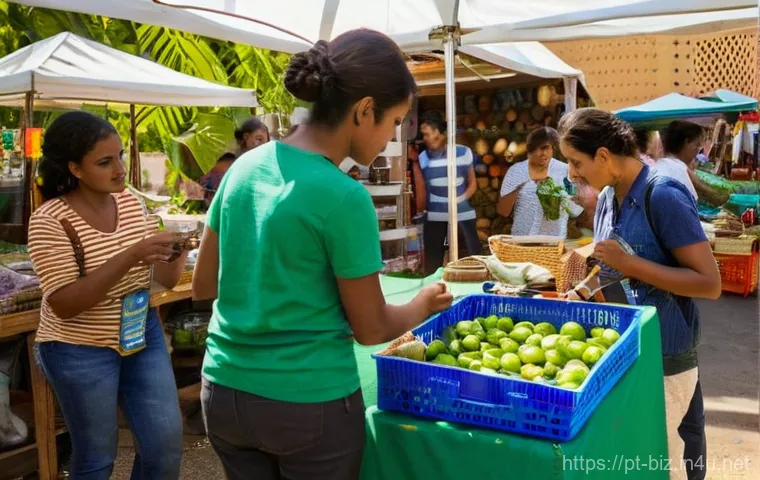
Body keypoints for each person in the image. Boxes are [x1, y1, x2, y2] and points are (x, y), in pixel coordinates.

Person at [192, 29, 453, 480]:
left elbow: (202, 284)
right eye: (394, 121)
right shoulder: (344, 196)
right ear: (364, 109)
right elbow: (371, 327)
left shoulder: (243, 168)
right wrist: (421, 305)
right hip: (308, 404)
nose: (394, 134)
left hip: (224, 392)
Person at [558, 108, 720, 480]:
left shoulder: (662, 195)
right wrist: (584, 290)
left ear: (602, 156)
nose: (571, 173)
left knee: (665, 463)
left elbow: (709, 283)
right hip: (625, 350)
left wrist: (633, 266)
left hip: (665, 353)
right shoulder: (607, 199)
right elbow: (612, 265)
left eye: (575, 161)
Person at [28, 111, 189, 479]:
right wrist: (132, 254)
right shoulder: (51, 220)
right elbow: (65, 303)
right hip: (78, 347)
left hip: (139, 333)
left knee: (164, 445)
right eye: (105, 162)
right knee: (97, 457)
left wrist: (174, 253)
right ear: (75, 169)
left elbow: (161, 281)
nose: (120, 169)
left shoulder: (132, 204)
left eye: (120, 155)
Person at [417, 110, 479, 274]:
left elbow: (472, 183)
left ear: (441, 133)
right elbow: (422, 189)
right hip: (435, 215)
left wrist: (460, 199)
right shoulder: (423, 157)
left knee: (473, 258)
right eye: (423, 135)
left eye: (428, 134)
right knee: (432, 263)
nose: (426, 139)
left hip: (463, 213)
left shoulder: (464, 152)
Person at [497, 126, 582, 237]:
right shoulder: (516, 171)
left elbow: (575, 200)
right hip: (522, 241)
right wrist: (518, 187)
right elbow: (503, 211)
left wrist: (559, 195)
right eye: (540, 149)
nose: (544, 153)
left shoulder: (565, 170)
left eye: (548, 148)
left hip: (554, 241)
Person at [653, 120, 704, 201]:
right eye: (697, 144)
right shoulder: (679, 172)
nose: (698, 150)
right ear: (687, 142)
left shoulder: (656, 166)